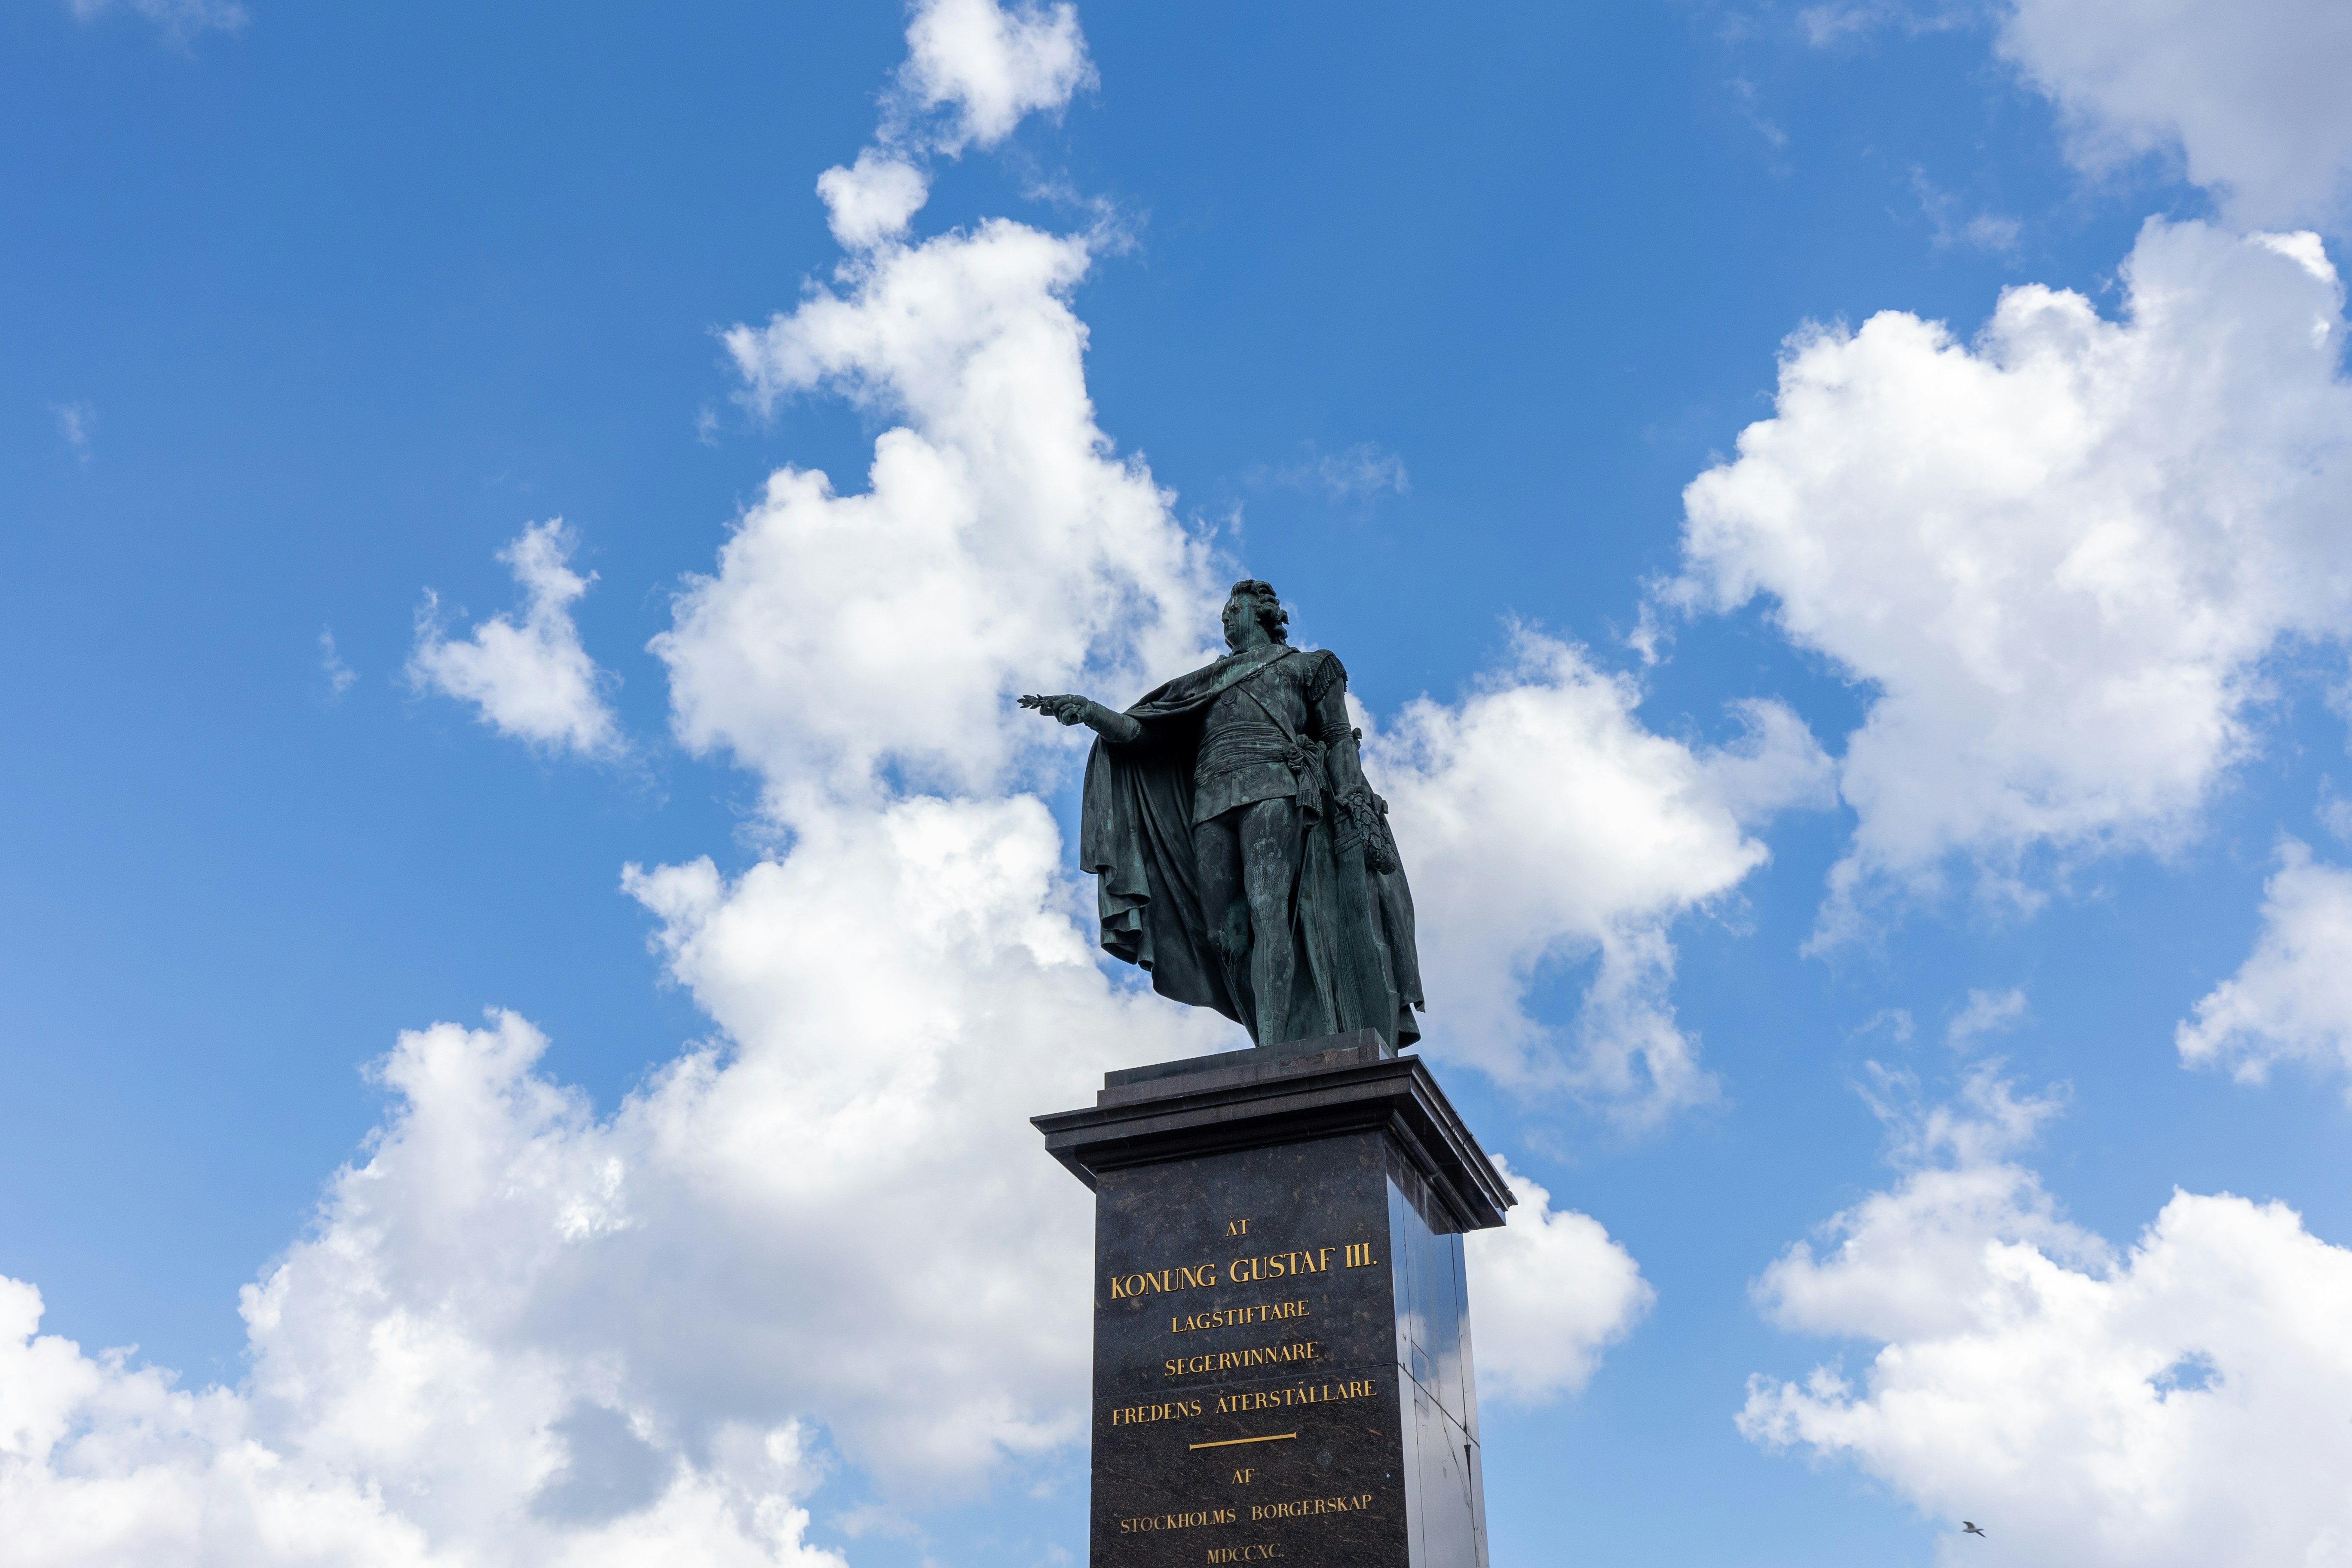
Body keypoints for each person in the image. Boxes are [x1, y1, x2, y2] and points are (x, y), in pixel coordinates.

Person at [1023, 579, 1422, 1050]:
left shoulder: (1309, 666)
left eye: (1234, 609)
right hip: (1210, 801)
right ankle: (1272, 1033)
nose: (1226, 618)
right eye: (1225, 612)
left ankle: (1273, 1049)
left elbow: (1337, 738)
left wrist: (1353, 797)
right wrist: (1090, 711)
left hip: (1275, 789)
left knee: (1267, 911)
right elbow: (1140, 734)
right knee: (1225, 937)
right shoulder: (1207, 682)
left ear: (1263, 614)